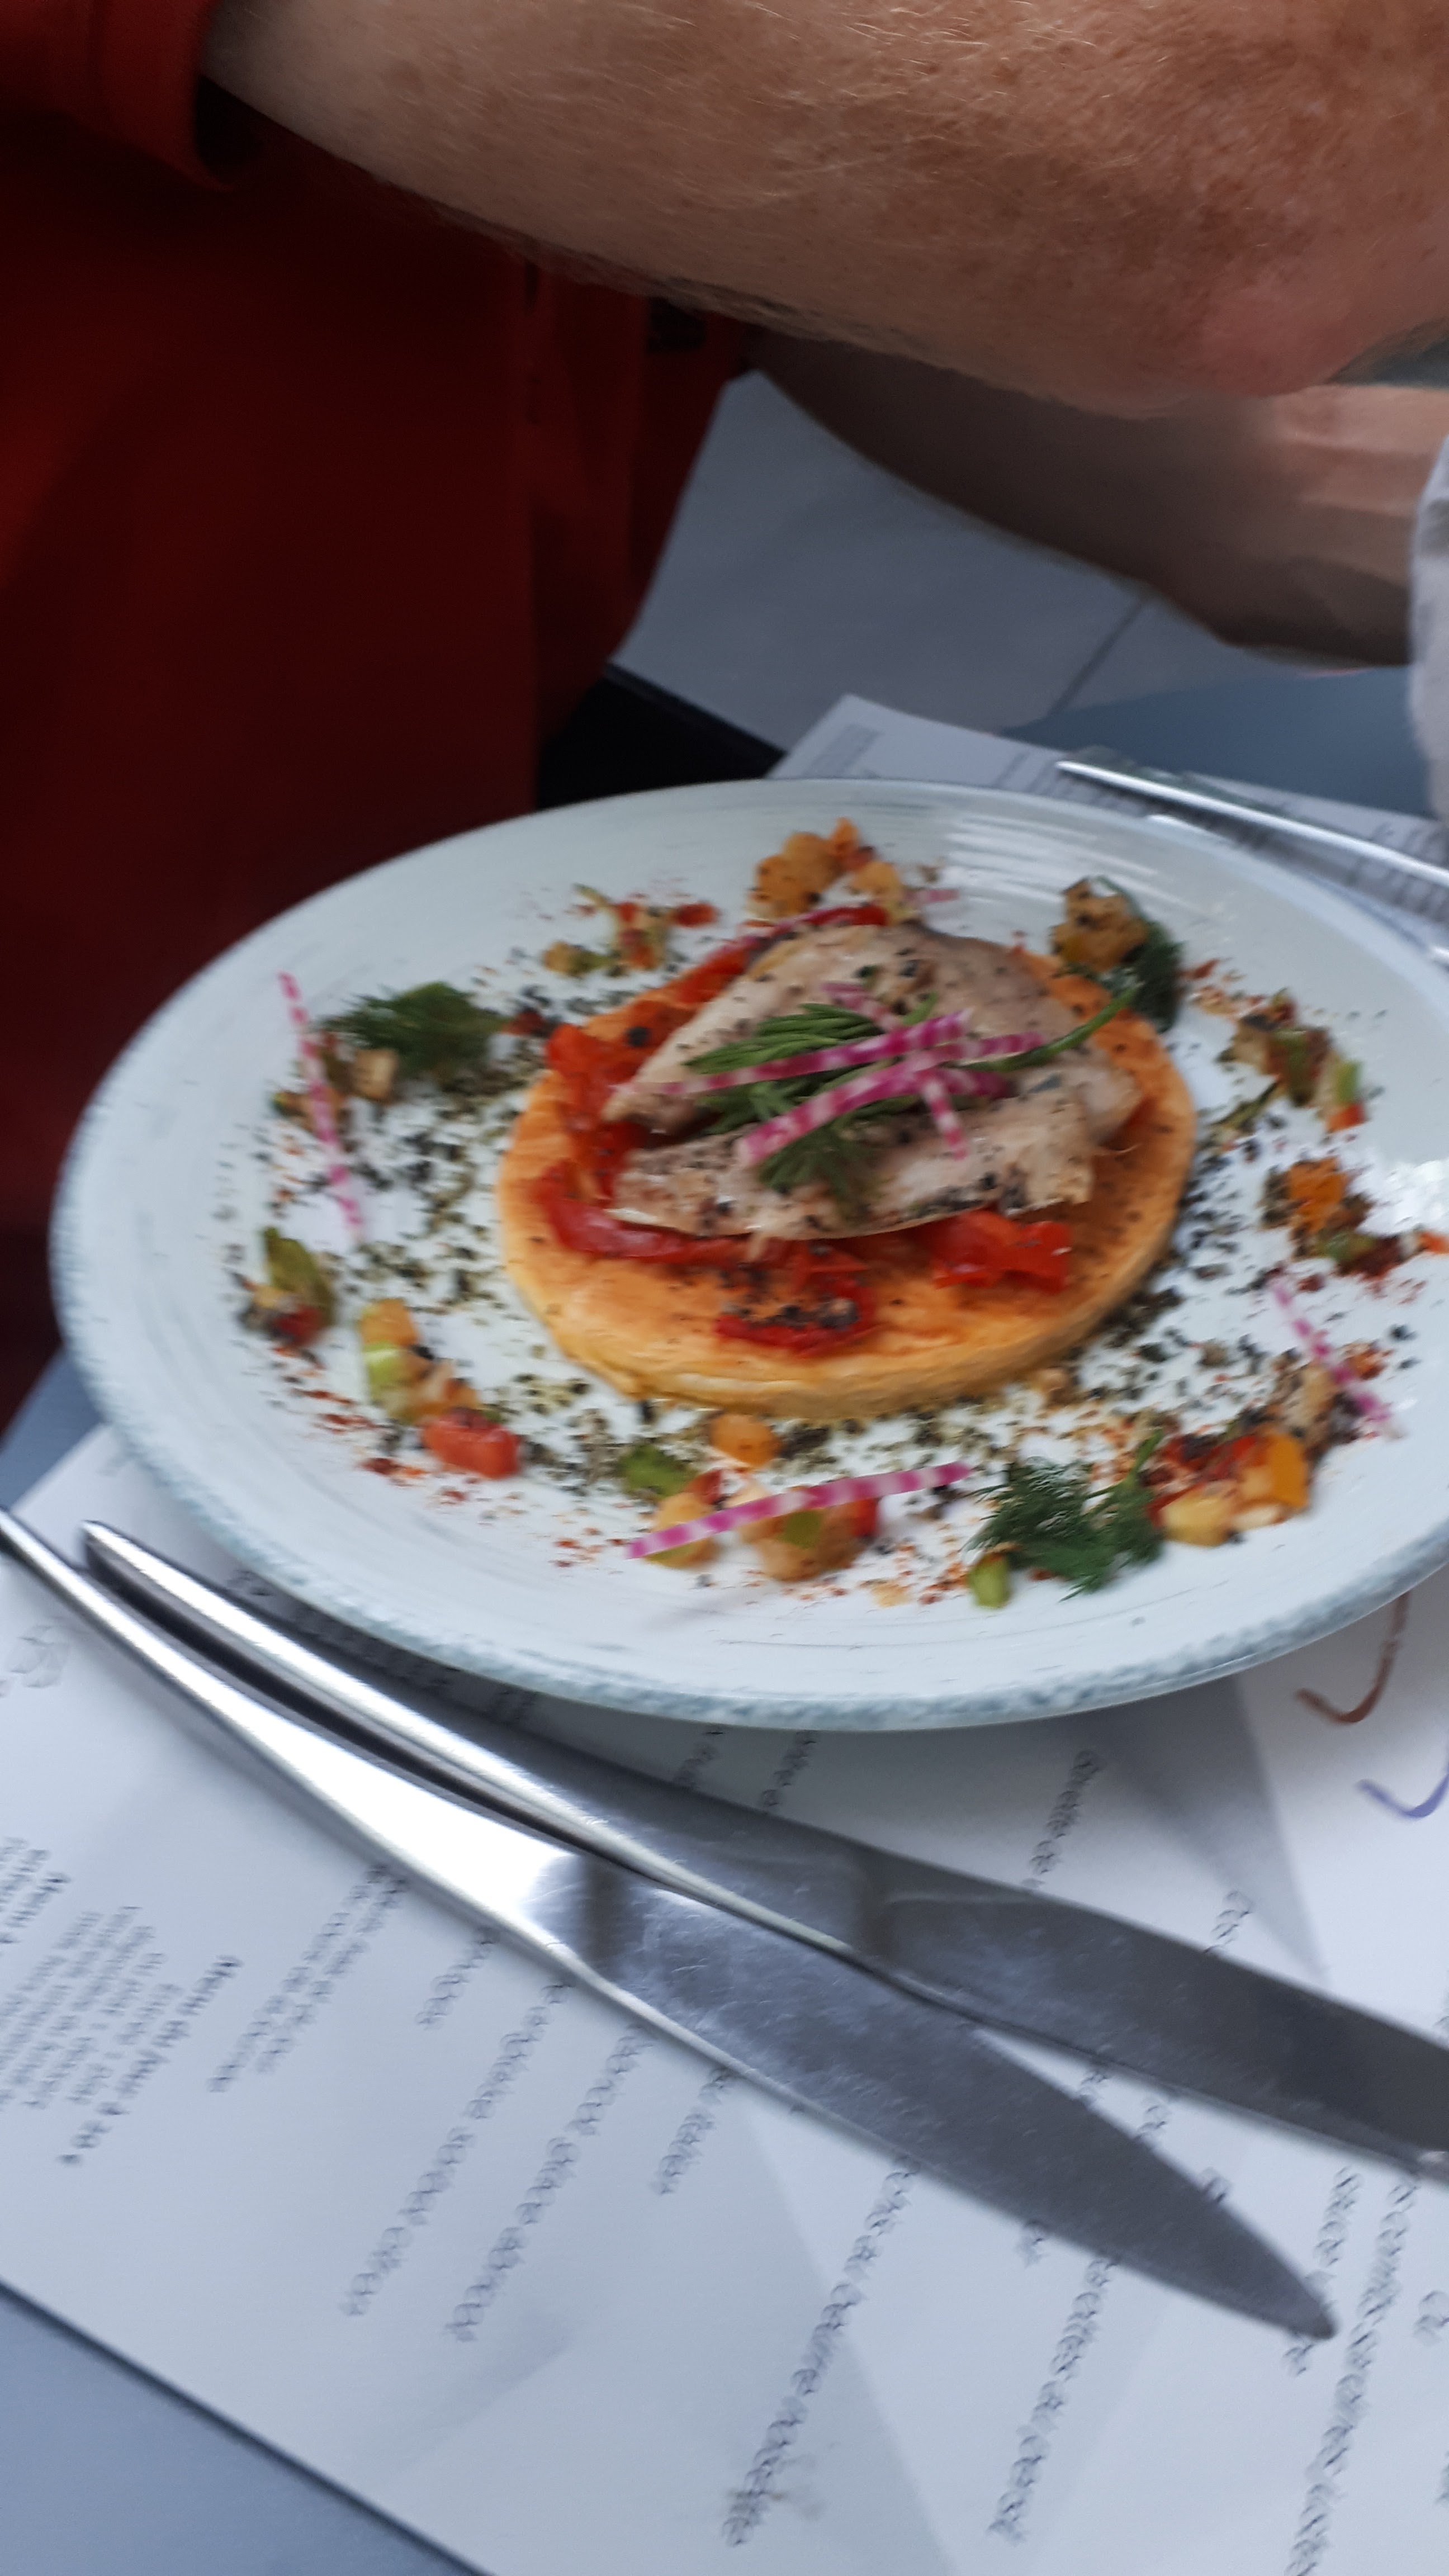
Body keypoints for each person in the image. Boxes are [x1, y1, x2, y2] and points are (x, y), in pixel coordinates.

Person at [4, 0, 1449, 1427]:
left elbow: (789, 208)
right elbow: (1232, 196)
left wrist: (1331, 498)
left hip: (468, 818)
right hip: (59, 1087)